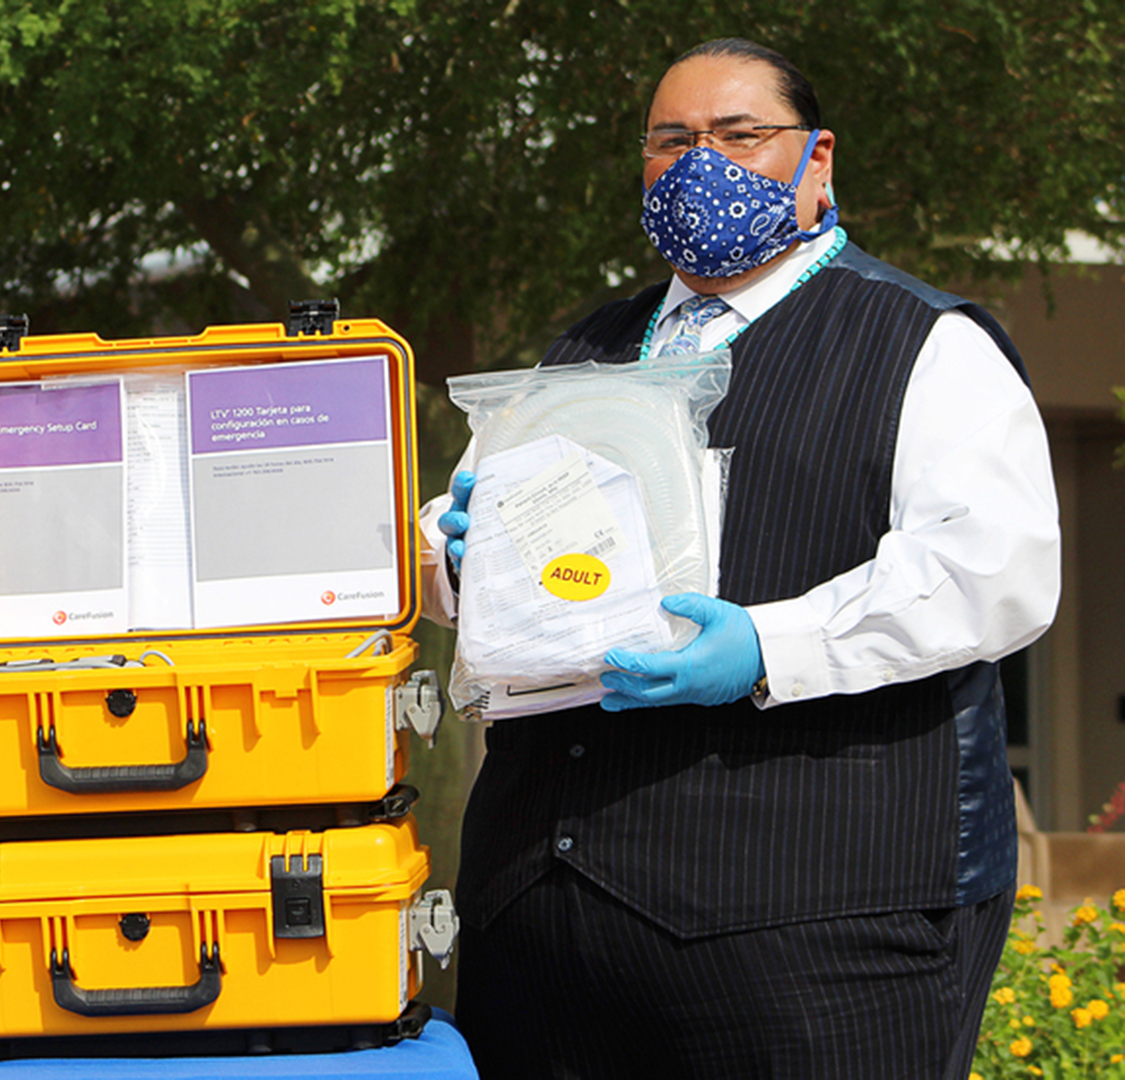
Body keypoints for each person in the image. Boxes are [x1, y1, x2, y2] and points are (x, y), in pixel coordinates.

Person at [423, 39, 1059, 1078]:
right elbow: (460, 557)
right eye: (671, 140)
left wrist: (771, 644)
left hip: (819, 943)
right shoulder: (580, 353)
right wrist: (455, 557)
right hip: (543, 934)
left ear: (817, 161)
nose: (699, 163)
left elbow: (994, 571)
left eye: (739, 135)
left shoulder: (922, 343)